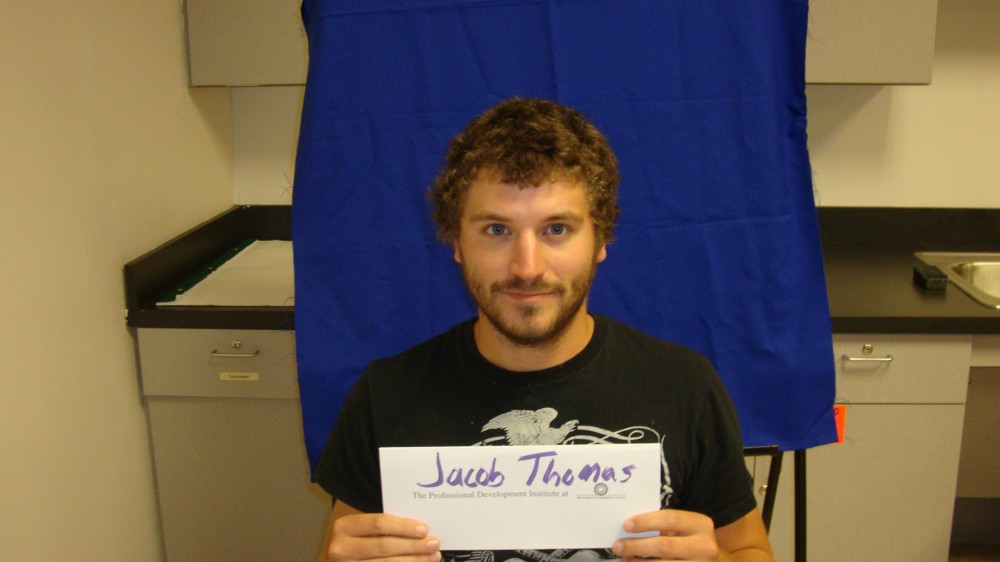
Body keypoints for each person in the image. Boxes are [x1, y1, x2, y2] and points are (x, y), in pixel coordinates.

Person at [314, 97, 774, 562]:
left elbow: (751, 550)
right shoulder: (387, 394)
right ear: (456, 242)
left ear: (600, 238)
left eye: (556, 229)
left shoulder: (683, 386)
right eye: (497, 230)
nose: (527, 268)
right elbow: (341, 550)